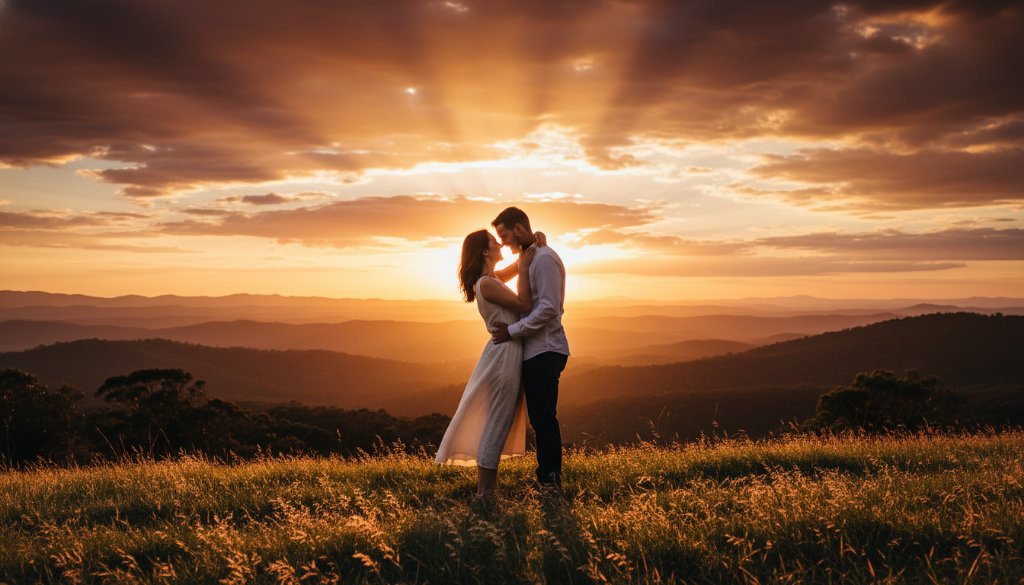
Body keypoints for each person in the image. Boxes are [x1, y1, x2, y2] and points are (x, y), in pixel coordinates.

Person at [434, 228, 545, 498]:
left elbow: (517, 266)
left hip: (505, 351)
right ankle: (485, 493)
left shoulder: (492, 279)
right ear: (485, 251)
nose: (500, 245)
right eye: (495, 242)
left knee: (499, 419)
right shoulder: (487, 283)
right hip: (504, 354)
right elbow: (524, 303)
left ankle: (486, 490)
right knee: (498, 420)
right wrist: (527, 262)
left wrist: (533, 245)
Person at [489, 207, 570, 491]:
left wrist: (512, 331)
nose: (503, 243)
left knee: (544, 418)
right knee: (539, 417)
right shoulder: (531, 255)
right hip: (535, 350)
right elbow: (496, 277)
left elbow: (549, 308)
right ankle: (546, 478)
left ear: (519, 229)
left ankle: (550, 482)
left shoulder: (544, 258)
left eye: (504, 235)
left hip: (545, 349)